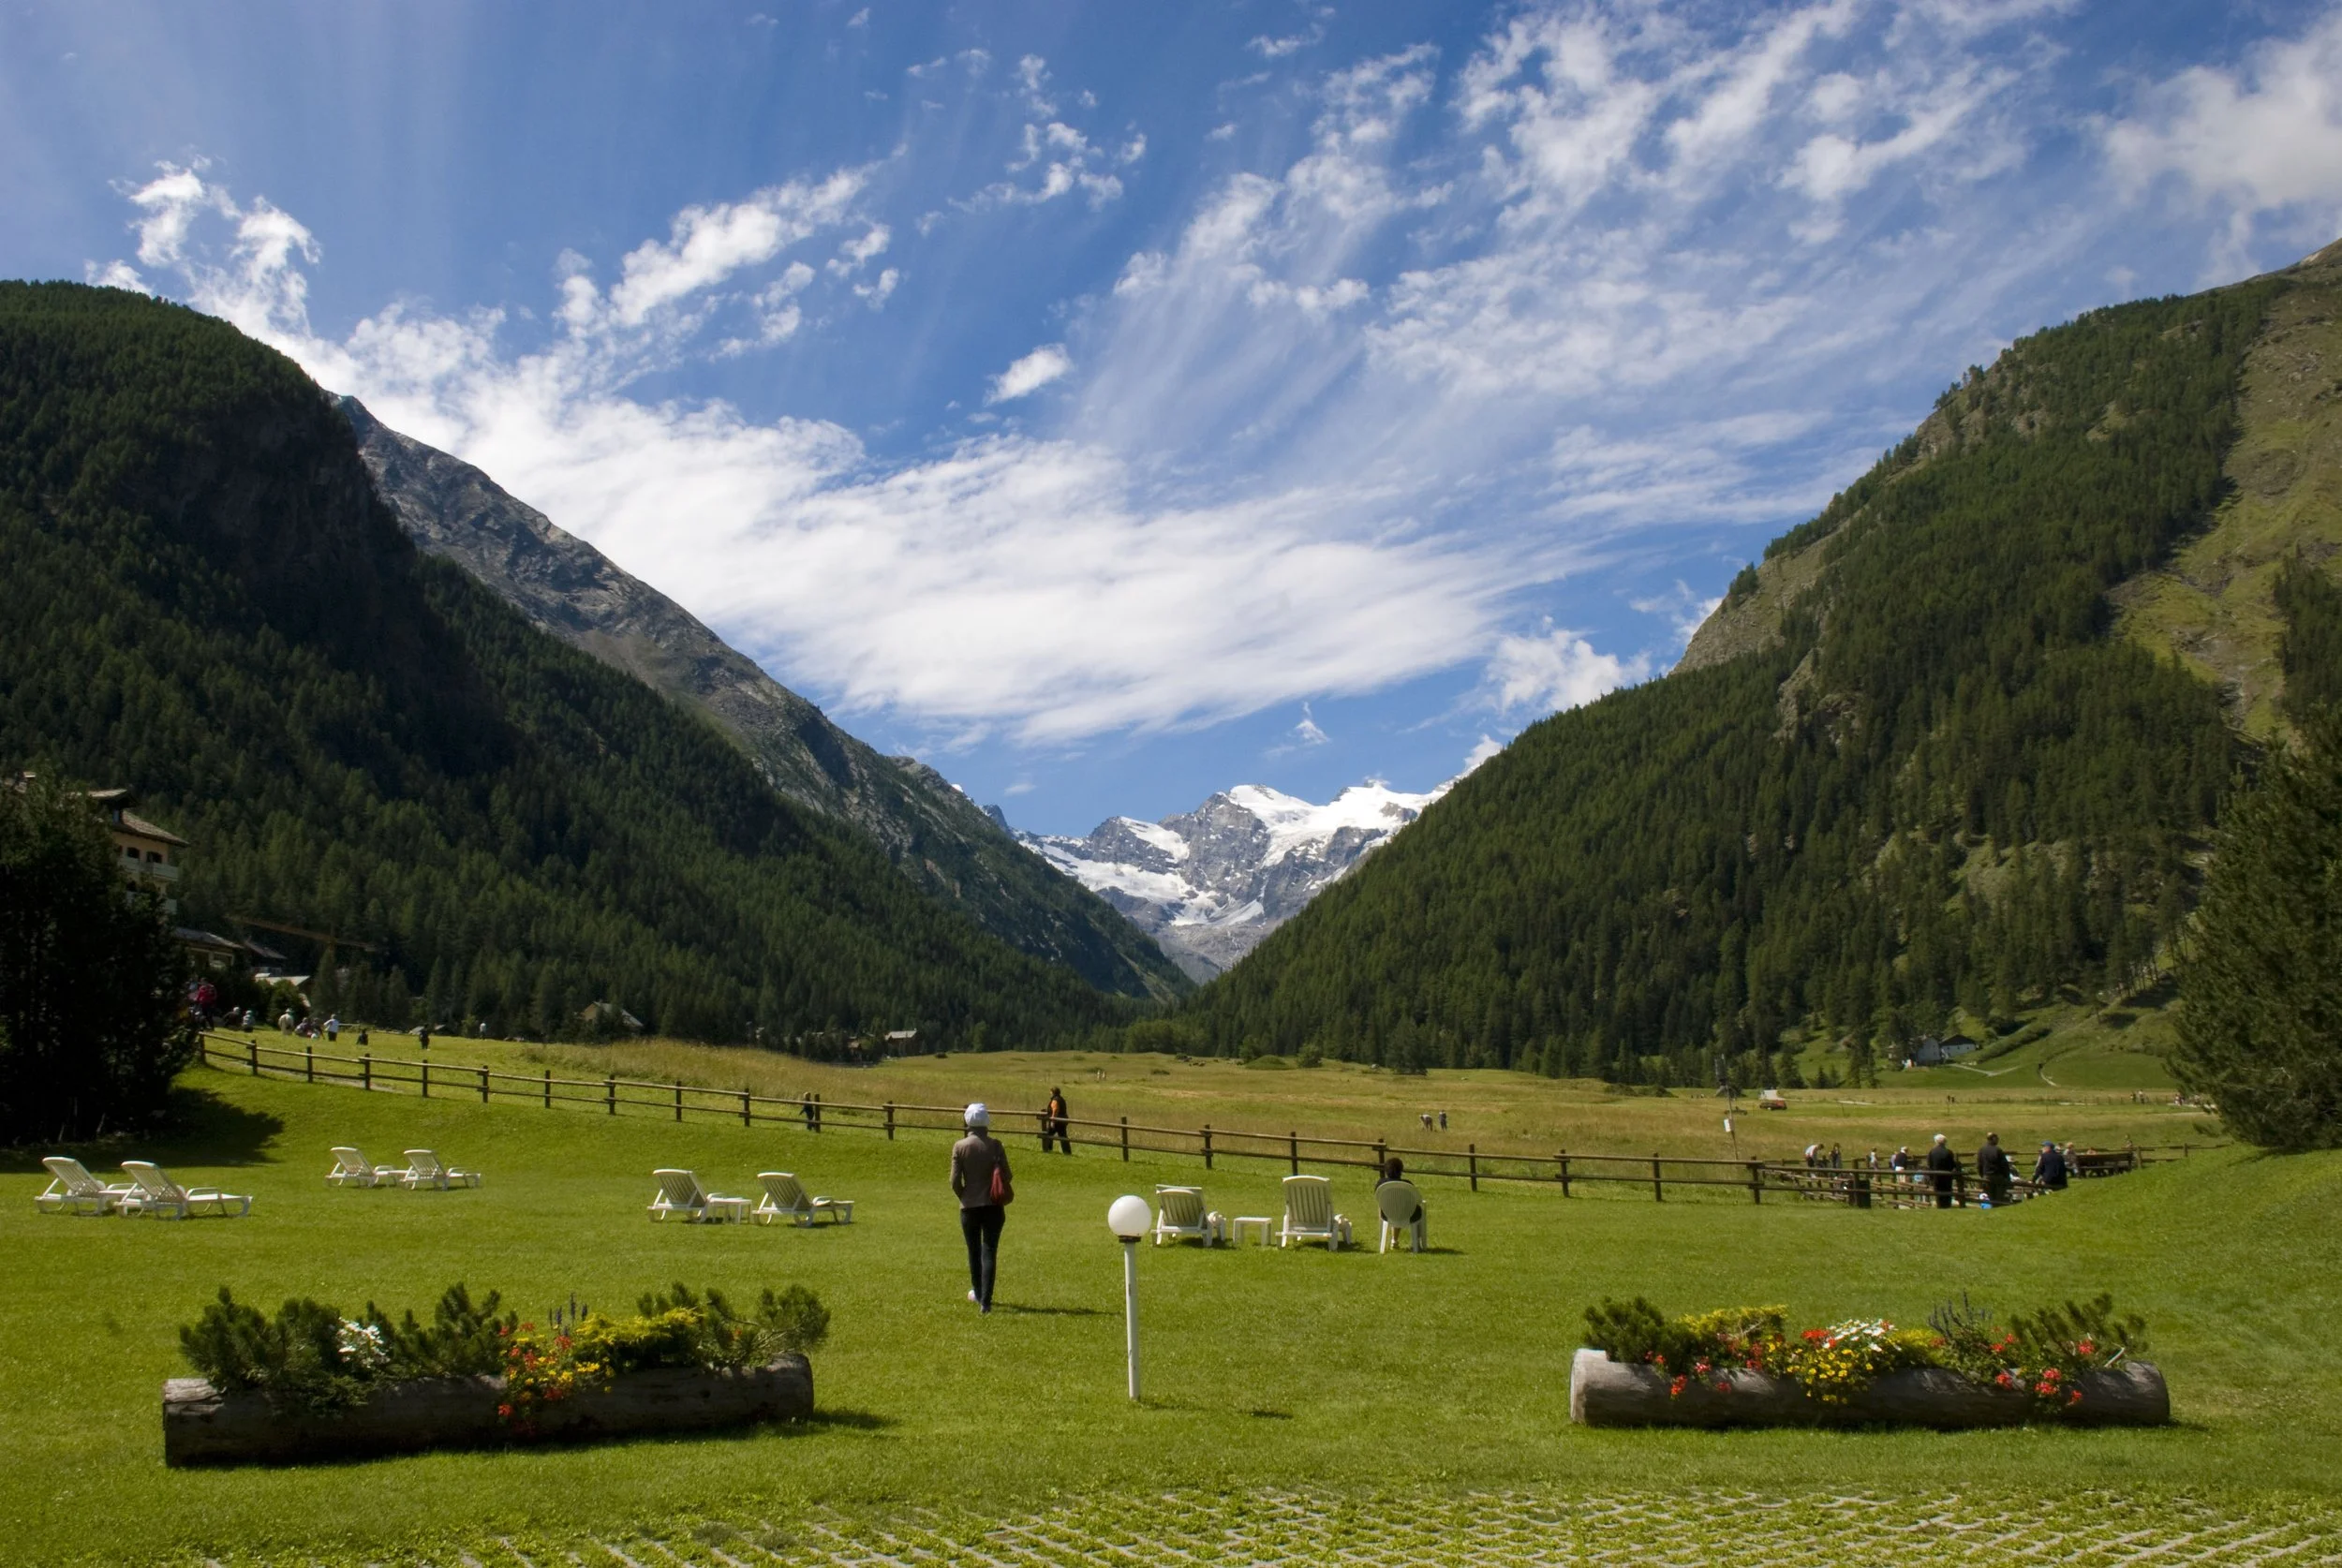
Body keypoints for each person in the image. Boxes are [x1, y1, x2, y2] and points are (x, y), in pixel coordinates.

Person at [950, 1103, 1011, 1313]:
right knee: (989, 1251)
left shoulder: (960, 1146)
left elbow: (955, 1181)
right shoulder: (996, 1145)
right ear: (987, 1121)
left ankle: (977, 1291)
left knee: (973, 1250)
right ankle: (986, 1301)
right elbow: (1008, 1175)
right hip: (993, 1206)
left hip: (969, 1206)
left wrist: (964, 1195)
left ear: (967, 1121)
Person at [1924, 1132, 1960, 1208]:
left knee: (1938, 1193)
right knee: (1947, 1192)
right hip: (1947, 1176)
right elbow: (1952, 1165)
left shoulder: (1932, 1152)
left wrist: (1931, 1177)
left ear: (1936, 1142)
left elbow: (1929, 1165)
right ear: (1945, 1142)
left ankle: (1940, 1206)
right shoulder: (1949, 1152)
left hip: (1936, 1176)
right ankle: (1947, 1205)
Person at [1978, 1132, 2013, 1206]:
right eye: (1997, 1139)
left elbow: (1979, 1165)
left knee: (1990, 1197)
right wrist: (2006, 1176)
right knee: (1998, 1197)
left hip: (1986, 1176)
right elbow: (2004, 1165)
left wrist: (1982, 1175)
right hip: (1997, 1176)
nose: (1998, 1140)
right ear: (1993, 1139)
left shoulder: (1982, 1150)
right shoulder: (1998, 1150)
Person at [1043, 1087, 1071, 1154]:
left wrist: (1053, 1120)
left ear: (1053, 1092)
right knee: (1063, 1136)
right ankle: (1067, 1152)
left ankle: (1048, 1149)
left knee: (1048, 1134)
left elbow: (1055, 1110)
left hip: (1057, 1121)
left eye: (1050, 1092)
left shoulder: (1055, 1099)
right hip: (1062, 1120)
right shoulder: (1061, 1099)